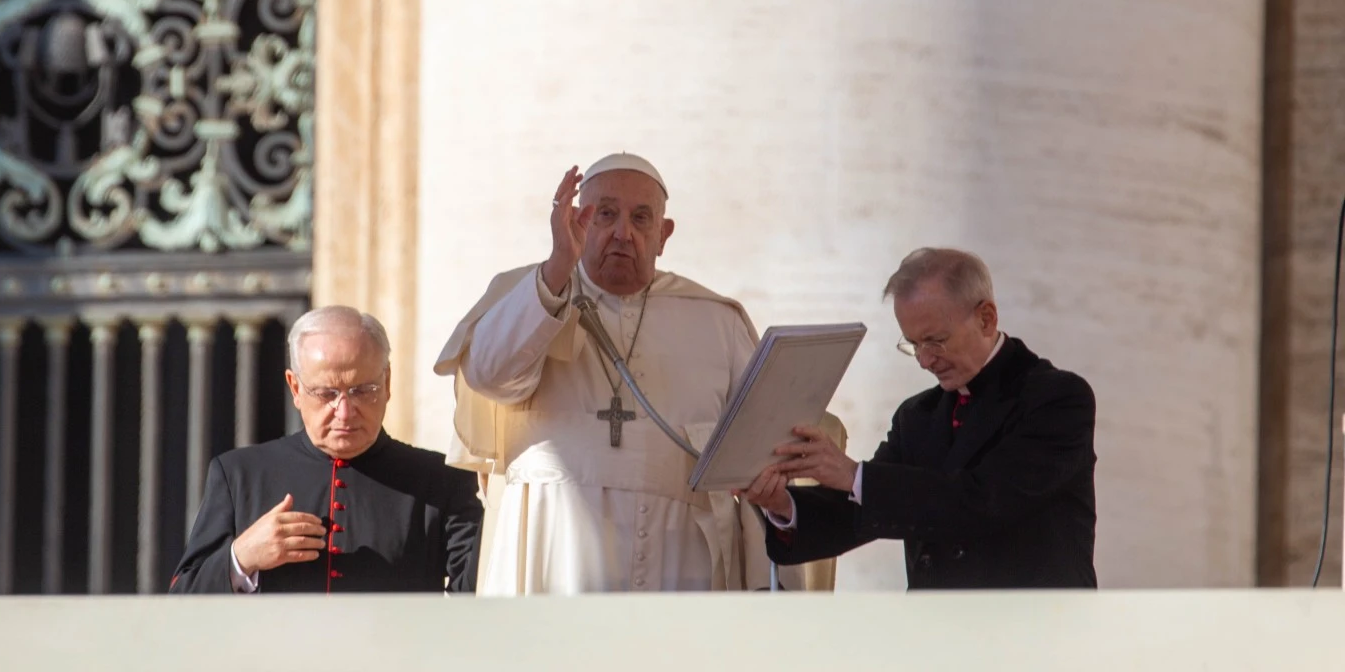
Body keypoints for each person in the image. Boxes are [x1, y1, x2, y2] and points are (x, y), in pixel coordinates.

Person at [434, 152, 780, 593]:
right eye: (606, 215)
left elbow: (761, 439)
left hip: (679, 555)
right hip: (552, 542)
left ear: (664, 234)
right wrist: (560, 264)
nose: (623, 232)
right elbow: (491, 376)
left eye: (641, 218)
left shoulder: (717, 320)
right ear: (578, 221)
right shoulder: (532, 294)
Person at [742, 247, 1097, 589]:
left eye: (935, 341)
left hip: (1035, 633)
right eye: (913, 344)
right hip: (937, 634)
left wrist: (853, 475)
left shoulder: (1057, 400)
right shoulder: (917, 416)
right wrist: (783, 504)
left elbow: (983, 502)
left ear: (986, 318)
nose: (925, 361)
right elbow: (861, 513)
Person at [171, 306, 482, 593]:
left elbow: (482, 595)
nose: (345, 411)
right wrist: (241, 558)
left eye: (363, 390)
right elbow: (182, 599)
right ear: (295, 388)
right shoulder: (239, 474)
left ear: (387, 383)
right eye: (325, 393)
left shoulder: (441, 480)